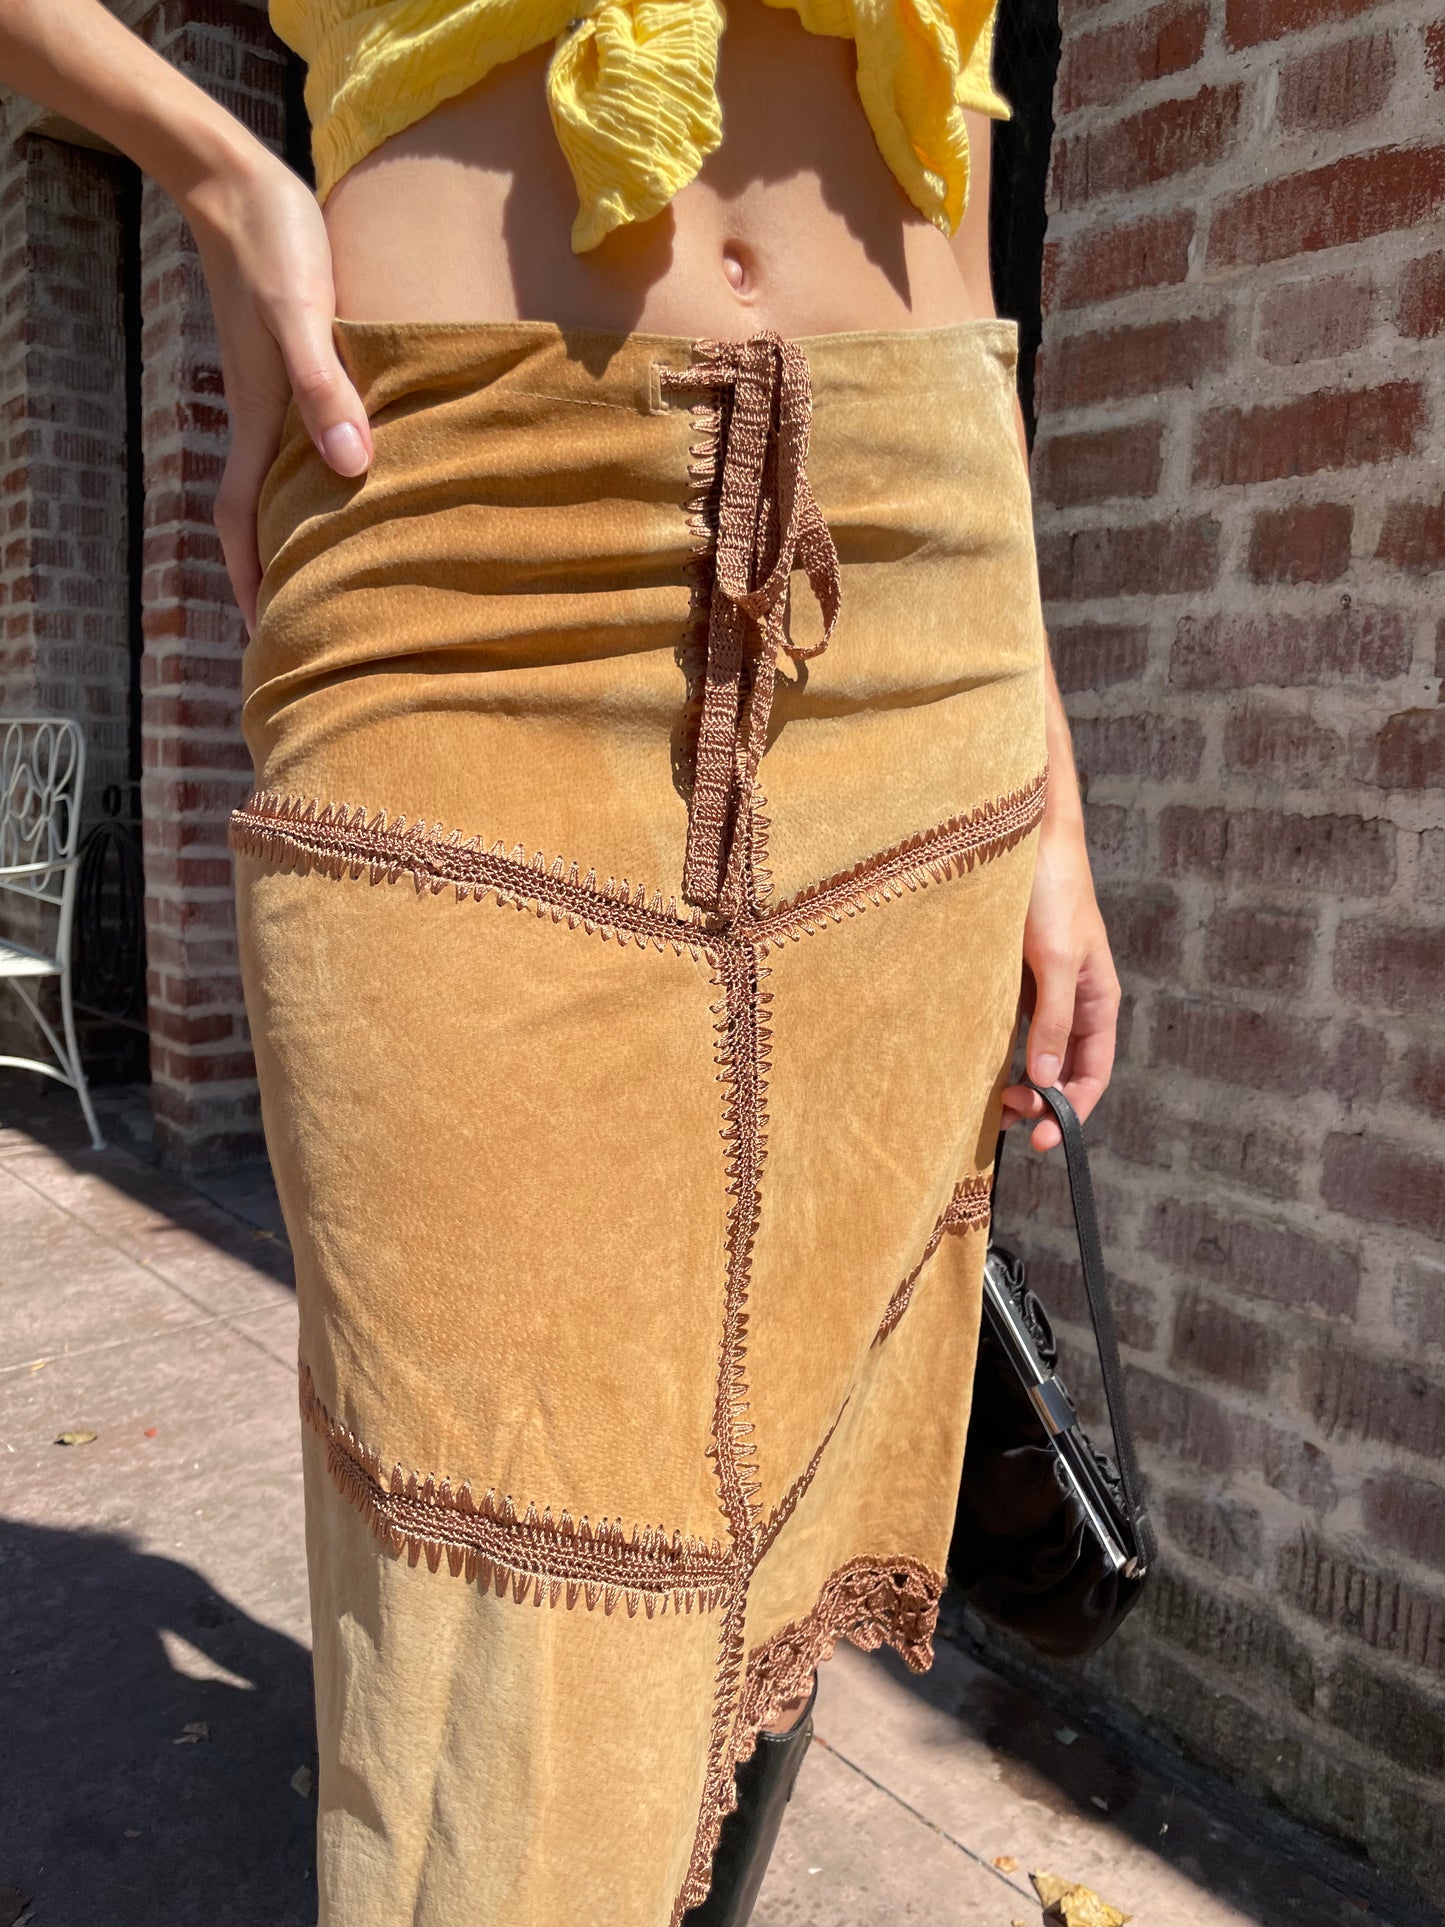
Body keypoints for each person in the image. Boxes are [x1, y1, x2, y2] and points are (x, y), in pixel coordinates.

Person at [0, 2, 1120, 1921]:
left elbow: (947, 135)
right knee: (482, 1584)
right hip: (461, 549)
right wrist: (206, 161)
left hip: (916, 566)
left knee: (775, 1492)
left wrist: (1052, 804)